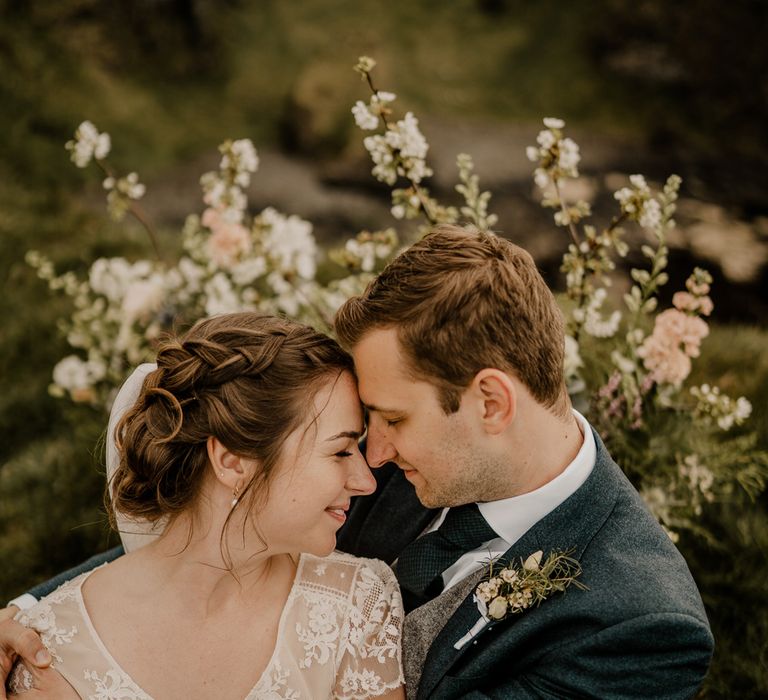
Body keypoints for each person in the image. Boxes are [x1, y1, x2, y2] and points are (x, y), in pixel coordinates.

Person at [3, 225, 713, 699]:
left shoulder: (641, 629)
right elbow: (208, 541)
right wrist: (32, 620)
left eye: (393, 420)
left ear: (491, 402)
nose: (371, 459)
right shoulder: (400, 463)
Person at [3, 313, 405, 699]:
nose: (367, 481)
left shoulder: (357, 605)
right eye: (340, 451)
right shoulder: (48, 646)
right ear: (232, 462)